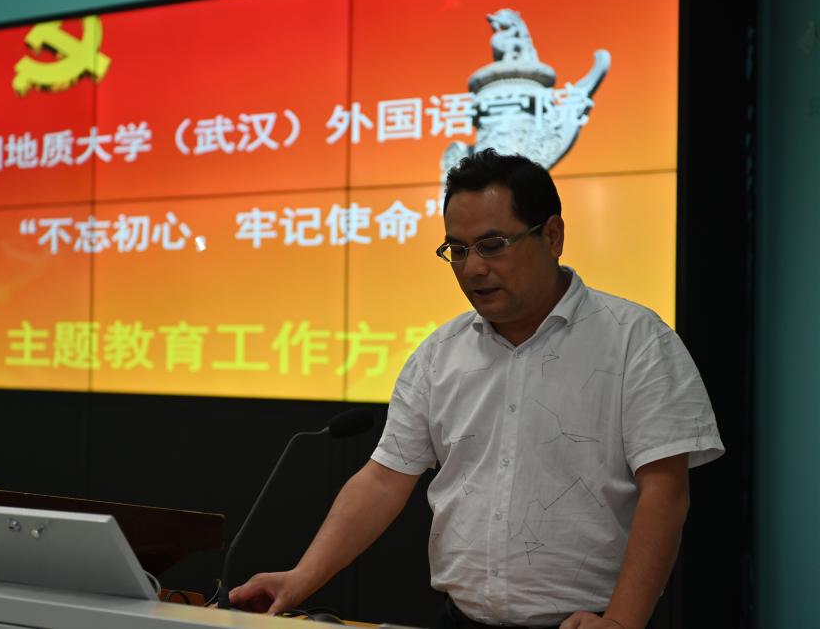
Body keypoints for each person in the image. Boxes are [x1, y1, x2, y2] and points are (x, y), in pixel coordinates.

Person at [228, 149, 724, 629]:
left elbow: (665, 491)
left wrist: (620, 620)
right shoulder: (440, 354)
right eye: (458, 250)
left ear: (552, 235)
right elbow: (383, 481)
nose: (472, 269)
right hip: (461, 618)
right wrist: (301, 578)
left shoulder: (635, 339)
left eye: (492, 246)